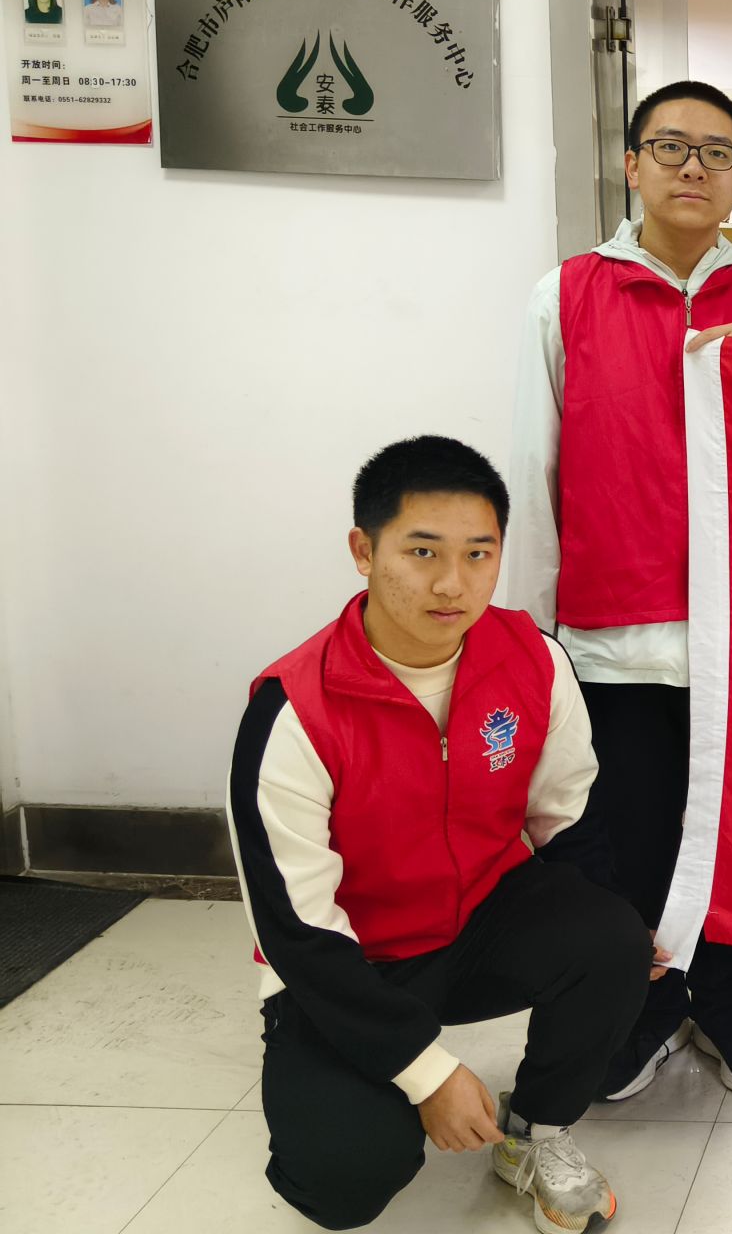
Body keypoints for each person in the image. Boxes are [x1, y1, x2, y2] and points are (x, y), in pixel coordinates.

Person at [226, 437, 646, 1232]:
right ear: (363, 551)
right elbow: (296, 932)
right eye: (422, 552)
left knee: (614, 937)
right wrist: (427, 1074)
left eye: (478, 554)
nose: (453, 583)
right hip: (353, 961)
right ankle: (329, 1095)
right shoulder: (293, 711)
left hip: (479, 921)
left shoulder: (534, 660)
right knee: (343, 1182)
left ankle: (535, 1134)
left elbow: (567, 818)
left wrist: (621, 948)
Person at [506, 79, 732, 1102]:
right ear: (631, 162)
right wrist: (532, 638)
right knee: (628, 845)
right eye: (672, 146)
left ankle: (723, 1002)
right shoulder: (566, 296)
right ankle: (640, 1012)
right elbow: (534, 468)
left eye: (718, 152)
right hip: (611, 636)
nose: (694, 167)